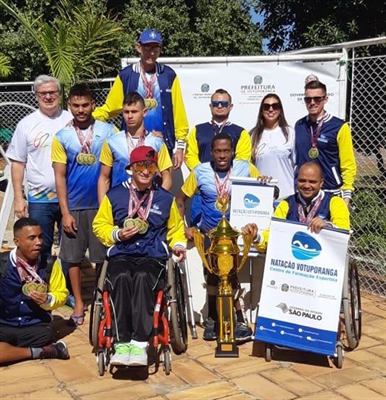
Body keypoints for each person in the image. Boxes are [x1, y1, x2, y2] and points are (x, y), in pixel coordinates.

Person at [93, 146, 186, 367]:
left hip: (152, 255)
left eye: (150, 166)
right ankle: (121, 341)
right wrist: (116, 233)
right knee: (123, 277)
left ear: (156, 170)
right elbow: (100, 224)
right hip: (122, 253)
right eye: (140, 166)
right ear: (130, 169)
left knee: (144, 277)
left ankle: (139, 343)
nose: (146, 171)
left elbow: (175, 229)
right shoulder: (115, 195)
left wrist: (179, 245)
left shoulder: (164, 198)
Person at [176, 133, 266, 342]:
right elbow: (180, 198)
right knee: (212, 275)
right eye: (218, 151)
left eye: (226, 151)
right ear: (212, 152)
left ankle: (233, 318)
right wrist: (185, 226)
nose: (222, 155)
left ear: (233, 151)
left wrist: (263, 181)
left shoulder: (246, 167)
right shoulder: (200, 171)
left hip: (235, 235)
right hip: (210, 234)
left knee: (231, 274)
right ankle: (214, 319)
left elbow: (263, 189)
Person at [52, 83, 115, 327]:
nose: (80, 110)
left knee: (102, 257)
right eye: (76, 106)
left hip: (102, 205)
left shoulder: (109, 131)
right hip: (75, 205)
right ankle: (79, 302)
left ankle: (101, 298)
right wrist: (65, 212)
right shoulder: (63, 136)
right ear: (69, 106)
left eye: (85, 105)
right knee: (73, 258)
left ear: (93, 105)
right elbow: (59, 176)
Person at [93, 28, 189, 169]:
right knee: (132, 186)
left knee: (161, 188)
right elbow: (110, 108)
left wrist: (180, 146)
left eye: (155, 48)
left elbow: (178, 112)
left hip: (161, 143)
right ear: (138, 47)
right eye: (147, 47)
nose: (151, 52)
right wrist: (85, 119)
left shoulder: (168, 75)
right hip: (132, 143)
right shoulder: (127, 75)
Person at [6, 75, 72, 265]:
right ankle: (40, 288)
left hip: (70, 196)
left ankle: (64, 289)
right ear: (36, 95)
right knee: (39, 248)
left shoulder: (71, 120)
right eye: (43, 93)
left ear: (59, 94)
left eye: (52, 92)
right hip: (40, 199)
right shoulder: (26, 125)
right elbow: (18, 163)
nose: (48, 97)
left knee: (70, 247)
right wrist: (19, 198)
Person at [0, 218, 69, 364]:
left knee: (45, 335)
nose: (38, 242)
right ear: (17, 241)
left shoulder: (49, 263)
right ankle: (41, 352)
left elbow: (61, 293)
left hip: (35, 328)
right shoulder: (2, 264)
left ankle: (10, 351)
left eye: (40, 237)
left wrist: (48, 300)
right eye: (32, 238)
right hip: (4, 324)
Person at [243, 162, 350, 252]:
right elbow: (272, 238)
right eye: (302, 180)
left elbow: (344, 234)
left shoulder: (335, 202)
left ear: (321, 183)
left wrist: (328, 227)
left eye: (312, 182)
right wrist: (256, 237)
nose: (307, 186)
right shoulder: (286, 204)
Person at [185, 88, 252, 225]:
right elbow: (190, 156)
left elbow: (242, 160)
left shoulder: (241, 132)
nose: (219, 106)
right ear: (210, 106)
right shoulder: (197, 130)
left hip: (231, 193)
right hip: (202, 191)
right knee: (201, 234)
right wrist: (204, 174)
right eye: (215, 103)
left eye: (224, 103)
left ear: (231, 106)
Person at [97, 92, 172, 202]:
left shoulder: (156, 142)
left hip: (148, 202)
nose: (130, 116)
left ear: (144, 112)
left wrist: (157, 201)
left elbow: (167, 177)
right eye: (126, 112)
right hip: (119, 201)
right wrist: (103, 208)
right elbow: (104, 178)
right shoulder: (111, 142)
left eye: (134, 112)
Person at [294, 78, 357, 206]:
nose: (312, 102)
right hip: (305, 193)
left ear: (325, 99)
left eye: (317, 99)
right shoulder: (299, 125)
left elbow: (348, 164)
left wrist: (346, 195)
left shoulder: (339, 127)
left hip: (331, 192)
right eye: (308, 99)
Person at [250, 93, 295, 199]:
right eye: (266, 106)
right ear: (261, 111)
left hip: (287, 194)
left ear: (280, 110)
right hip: (261, 194)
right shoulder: (252, 135)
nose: (271, 109)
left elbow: (297, 165)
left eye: (275, 106)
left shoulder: (290, 133)